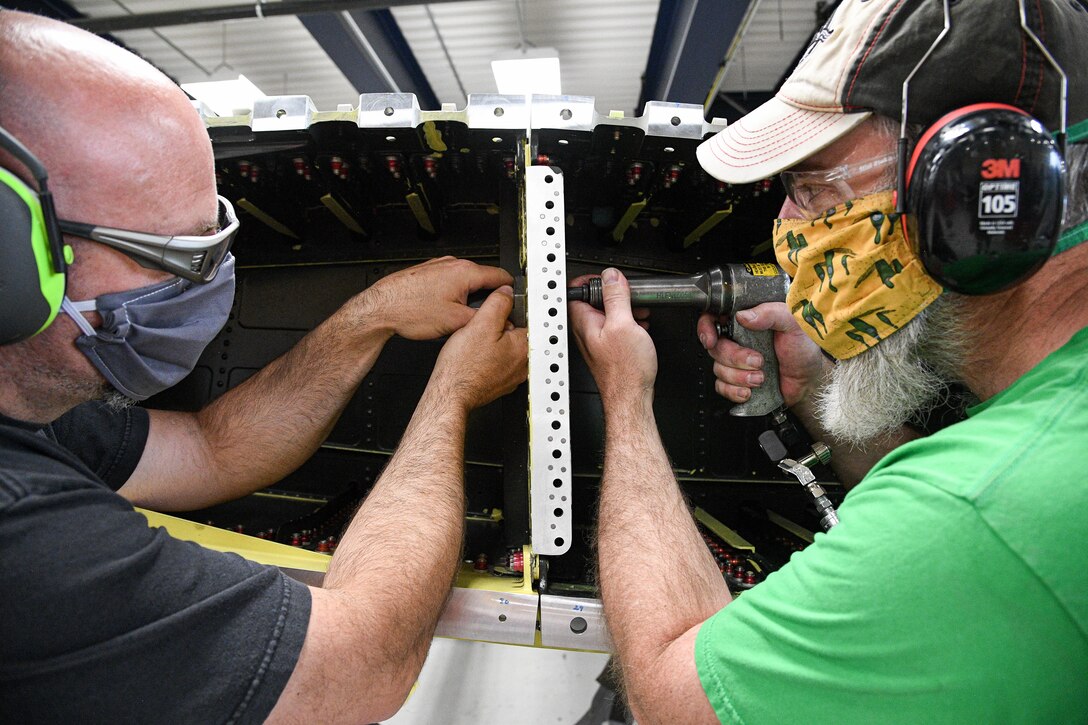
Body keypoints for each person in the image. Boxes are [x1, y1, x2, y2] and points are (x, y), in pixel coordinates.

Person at [0, 10, 527, 723]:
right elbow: (358, 666)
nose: (205, 288)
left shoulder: (27, 400)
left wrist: (371, 314)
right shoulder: (21, 533)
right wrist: (453, 394)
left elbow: (211, 450)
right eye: (174, 257)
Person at [568, 0, 1088, 722]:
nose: (788, 229)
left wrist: (626, 396)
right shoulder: (1046, 421)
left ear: (978, 191)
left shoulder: (981, 507)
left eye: (813, 189)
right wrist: (817, 392)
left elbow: (667, 699)